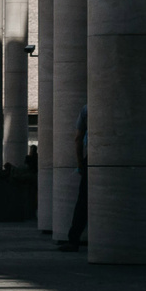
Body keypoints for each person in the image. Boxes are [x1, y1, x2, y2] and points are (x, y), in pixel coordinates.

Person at [57, 101, 88, 250]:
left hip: (92, 158)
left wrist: (80, 163)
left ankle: (74, 239)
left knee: (83, 201)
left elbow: (78, 138)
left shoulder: (87, 109)